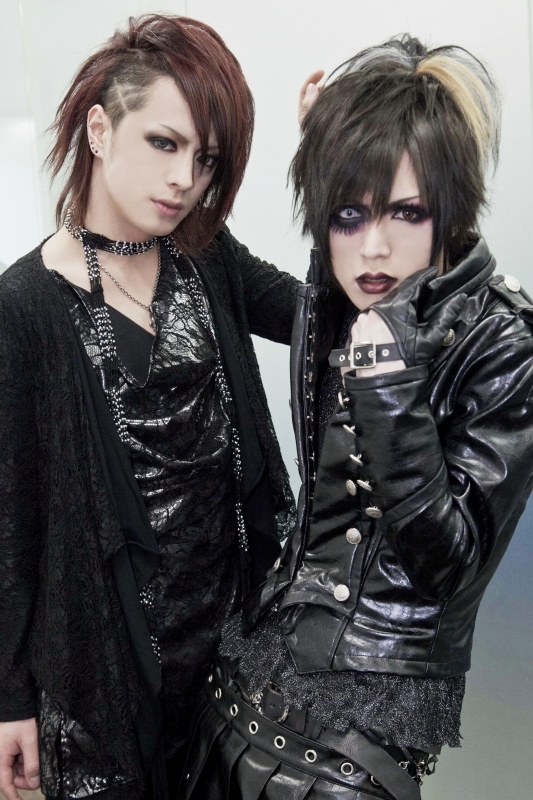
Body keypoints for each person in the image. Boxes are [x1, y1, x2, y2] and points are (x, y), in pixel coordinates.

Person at [180, 36, 533, 800]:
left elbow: (450, 567)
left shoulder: (501, 339)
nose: (372, 247)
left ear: (448, 207)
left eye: (406, 212)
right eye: (348, 214)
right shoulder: (354, 289)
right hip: (250, 672)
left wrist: (389, 393)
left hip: (359, 723)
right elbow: (322, 280)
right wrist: (328, 146)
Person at [0, 14, 301, 800]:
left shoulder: (207, 259)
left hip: (233, 654)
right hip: (103, 668)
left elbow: (323, 316)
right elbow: (10, 520)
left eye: (204, 159)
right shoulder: (23, 306)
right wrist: (8, 700)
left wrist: (336, 156)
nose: (184, 180)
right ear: (100, 130)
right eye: (163, 143)